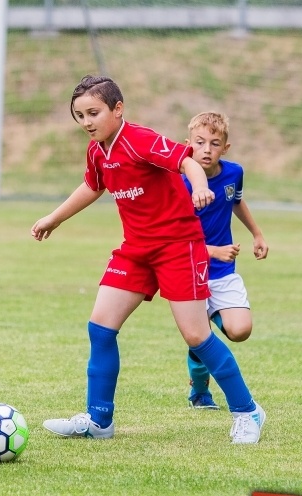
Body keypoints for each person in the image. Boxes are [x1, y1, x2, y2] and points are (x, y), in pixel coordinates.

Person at [31, 75, 265, 444]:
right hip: (137, 249)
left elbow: (186, 161)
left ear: (117, 109)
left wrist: (200, 187)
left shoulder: (140, 139)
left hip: (178, 246)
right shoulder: (97, 151)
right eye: (80, 116)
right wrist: (54, 218)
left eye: (93, 113)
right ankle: (98, 420)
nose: (87, 122)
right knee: (100, 327)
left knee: (196, 334)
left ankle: (247, 411)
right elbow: (93, 185)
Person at [182, 111, 269, 410]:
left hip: (222, 272)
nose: (206, 149)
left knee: (240, 330)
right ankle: (199, 392)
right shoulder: (178, 182)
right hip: (188, 269)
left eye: (214, 143)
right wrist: (212, 250)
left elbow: (236, 201)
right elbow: (174, 237)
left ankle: (206, 327)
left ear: (225, 148)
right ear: (188, 144)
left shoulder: (233, 173)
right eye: (200, 142)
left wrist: (257, 234)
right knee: (199, 337)